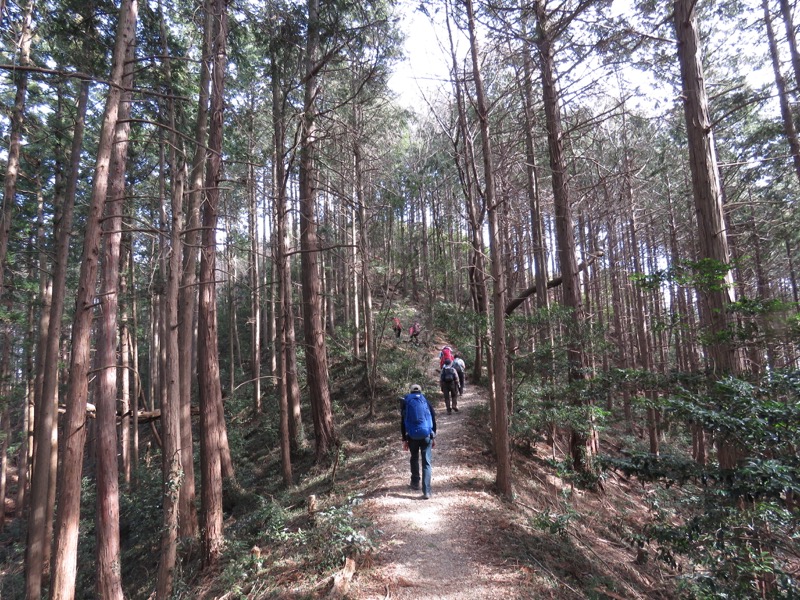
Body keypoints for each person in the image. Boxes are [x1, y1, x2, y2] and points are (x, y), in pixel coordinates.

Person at [401, 384, 437, 499]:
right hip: (426, 435)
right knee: (426, 463)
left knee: (414, 457)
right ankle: (426, 491)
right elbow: (433, 419)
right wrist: (433, 436)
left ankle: (415, 482)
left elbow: (403, 422)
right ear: (421, 391)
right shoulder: (425, 401)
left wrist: (404, 439)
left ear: (410, 391)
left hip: (412, 436)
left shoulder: (406, 402)